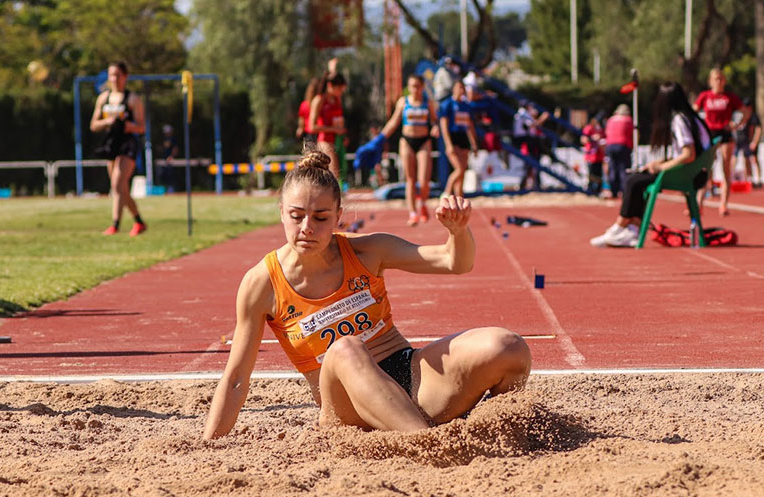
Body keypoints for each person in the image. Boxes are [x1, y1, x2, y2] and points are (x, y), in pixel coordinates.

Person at [202, 148, 531, 439]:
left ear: (338, 216)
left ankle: (502, 430)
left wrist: (458, 231)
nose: (307, 228)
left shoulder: (367, 251)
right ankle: (427, 443)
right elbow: (236, 378)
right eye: (296, 216)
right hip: (346, 409)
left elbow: (454, 262)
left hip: (410, 377)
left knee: (507, 347)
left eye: (320, 217)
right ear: (281, 212)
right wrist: (208, 444)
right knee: (346, 347)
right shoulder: (261, 283)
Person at [590, 81, 711, 248]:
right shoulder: (690, 118)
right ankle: (631, 228)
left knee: (633, 180)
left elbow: (689, 155)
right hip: (695, 171)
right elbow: (688, 153)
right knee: (637, 178)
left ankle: (621, 226)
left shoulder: (679, 120)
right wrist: (660, 162)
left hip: (689, 173)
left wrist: (661, 167)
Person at [89, 61, 147, 236]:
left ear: (125, 76)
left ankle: (115, 225)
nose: (114, 79)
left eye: (117, 75)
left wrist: (127, 126)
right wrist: (108, 121)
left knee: (117, 183)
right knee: (119, 188)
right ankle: (139, 221)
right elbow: (93, 125)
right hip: (111, 143)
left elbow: (142, 127)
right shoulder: (103, 98)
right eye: (111, 75)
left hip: (127, 143)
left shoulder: (133, 99)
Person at [381, 74, 439, 226]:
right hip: (407, 141)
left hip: (424, 141)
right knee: (410, 180)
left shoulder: (427, 102)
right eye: (412, 86)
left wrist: (435, 127)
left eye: (418, 86)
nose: (415, 89)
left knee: (424, 180)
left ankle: (423, 204)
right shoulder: (403, 102)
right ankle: (413, 213)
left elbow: (435, 120)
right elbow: (394, 121)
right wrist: (380, 138)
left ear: (422, 87)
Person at [693, 68, 748, 216]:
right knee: (705, 168)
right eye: (715, 79)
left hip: (725, 134)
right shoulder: (705, 96)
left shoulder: (729, 97)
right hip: (709, 134)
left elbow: (745, 111)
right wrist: (698, 126)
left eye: (720, 78)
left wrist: (737, 124)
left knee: (726, 168)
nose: (718, 81)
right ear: (710, 81)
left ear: (724, 81)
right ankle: (699, 204)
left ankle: (723, 204)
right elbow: (693, 111)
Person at [438, 80, 478, 197]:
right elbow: (443, 125)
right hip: (453, 137)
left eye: (462, 88)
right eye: (459, 88)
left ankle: (459, 198)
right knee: (459, 169)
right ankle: (446, 192)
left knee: (462, 172)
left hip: (463, 138)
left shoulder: (466, 106)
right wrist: (448, 144)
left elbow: (470, 126)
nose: (461, 90)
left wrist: (474, 143)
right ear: (453, 89)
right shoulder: (447, 104)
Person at [309, 72, 348, 180]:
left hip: (338, 141)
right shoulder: (319, 100)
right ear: (330, 86)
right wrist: (334, 129)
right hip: (325, 141)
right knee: (334, 174)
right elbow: (312, 126)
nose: (341, 92)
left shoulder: (337, 100)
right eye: (339, 89)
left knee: (340, 173)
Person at [604, 104, 634, 199]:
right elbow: (632, 134)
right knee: (623, 168)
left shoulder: (611, 120)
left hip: (610, 145)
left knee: (613, 168)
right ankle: (624, 190)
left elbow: (607, 133)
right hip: (623, 145)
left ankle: (613, 190)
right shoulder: (628, 120)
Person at [733, 97, 763, 188]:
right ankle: (747, 179)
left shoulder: (754, 117)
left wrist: (754, 141)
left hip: (750, 141)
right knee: (744, 160)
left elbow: (758, 130)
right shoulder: (739, 115)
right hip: (741, 141)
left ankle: (758, 179)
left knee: (754, 159)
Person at [581, 114, 605, 195]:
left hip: (599, 156)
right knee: (591, 175)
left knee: (599, 175)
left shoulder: (601, 129)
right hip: (590, 156)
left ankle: (598, 191)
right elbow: (583, 139)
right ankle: (590, 190)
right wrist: (592, 138)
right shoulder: (589, 128)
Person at [296, 78, 319, 143]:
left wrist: (300, 128)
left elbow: (301, 120)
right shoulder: (322, 104)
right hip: (318, 132)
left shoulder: (304, 104)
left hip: (309, 134)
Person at [158, 124, 178, 193]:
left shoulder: (173, 139)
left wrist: (171, 156)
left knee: (171, 175)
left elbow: (175, 149)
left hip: (171, 160)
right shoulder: (164, 139)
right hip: (164, 160)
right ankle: (165, 189)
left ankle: (171, 189)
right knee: (164, 175)